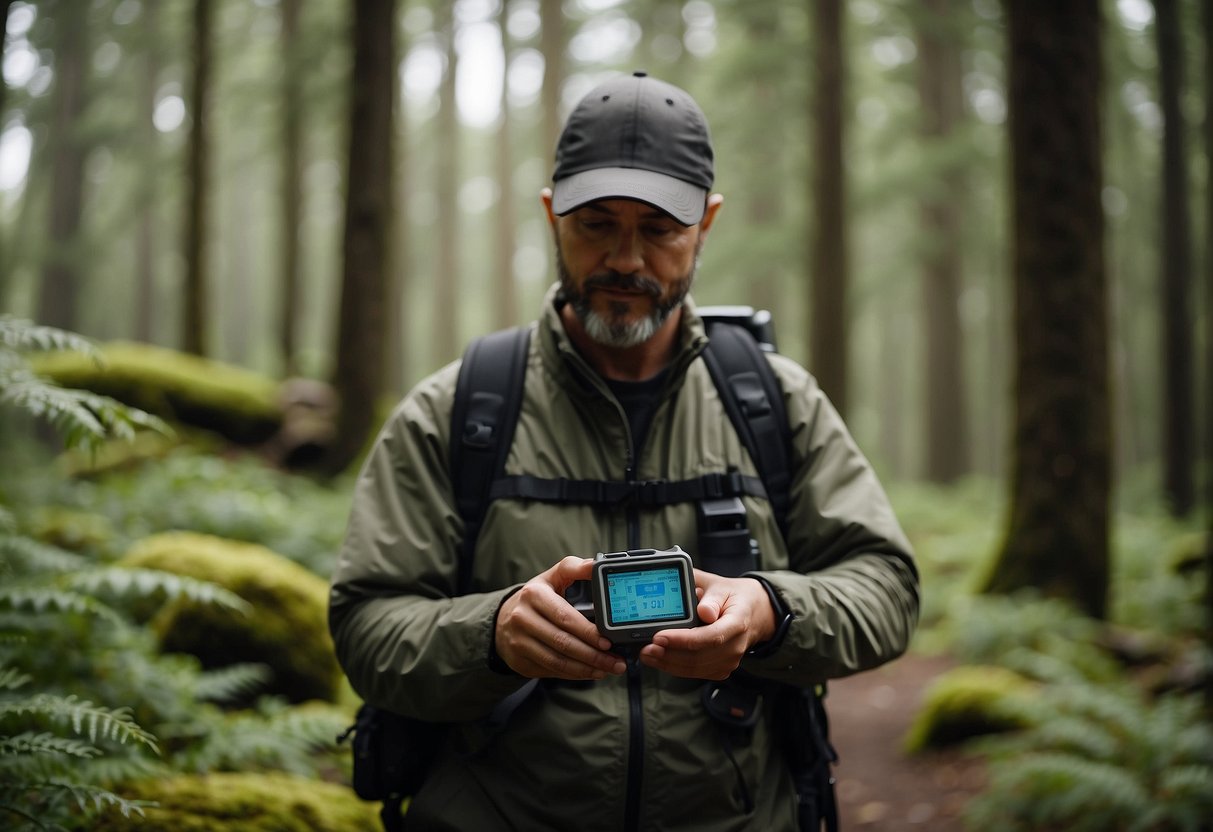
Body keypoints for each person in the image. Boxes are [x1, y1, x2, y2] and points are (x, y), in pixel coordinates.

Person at [329, 71, 919, 832]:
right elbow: (367, 624)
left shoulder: (775, 401)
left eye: (659, 228)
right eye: (596, 224)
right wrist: (492, 634)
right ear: (551, 215)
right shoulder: (458, 412)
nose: (627, 260)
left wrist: (769, 610)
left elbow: (886, 589)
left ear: (706, 223)